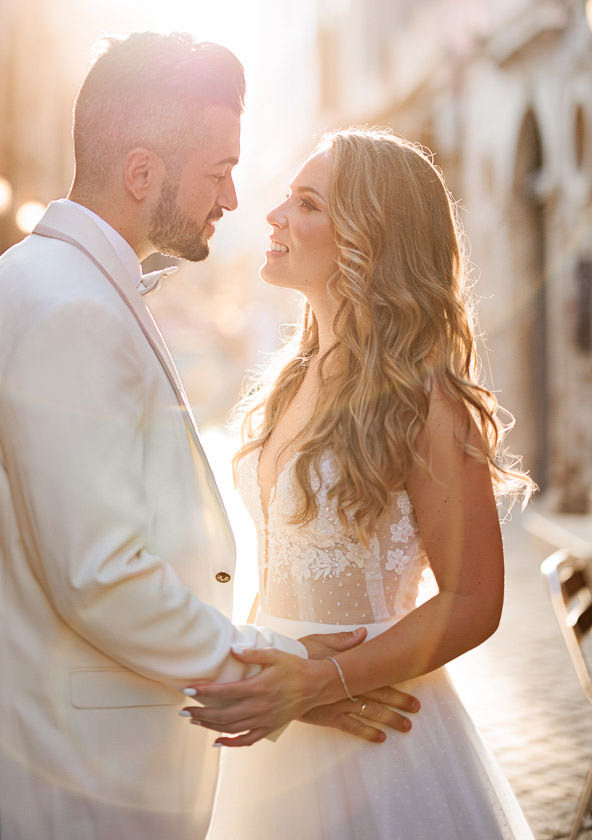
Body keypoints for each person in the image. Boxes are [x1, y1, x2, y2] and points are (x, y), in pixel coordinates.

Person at [0, 36, 420, 840]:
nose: (236, 198)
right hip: (66, 781)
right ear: (142, 173)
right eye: (218, 170)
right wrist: (284, 672)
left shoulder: (39, 282)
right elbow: (100, 576)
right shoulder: (70, 310)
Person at [182, 126, 537, 839]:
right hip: (284, 724)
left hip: (379, 736)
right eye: (288, 198)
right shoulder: (286, 382)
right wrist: (275, 675)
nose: (275, 216)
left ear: (368, 241)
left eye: (307, 203)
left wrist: (324, 683)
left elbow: (474, 600)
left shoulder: (425, 399)